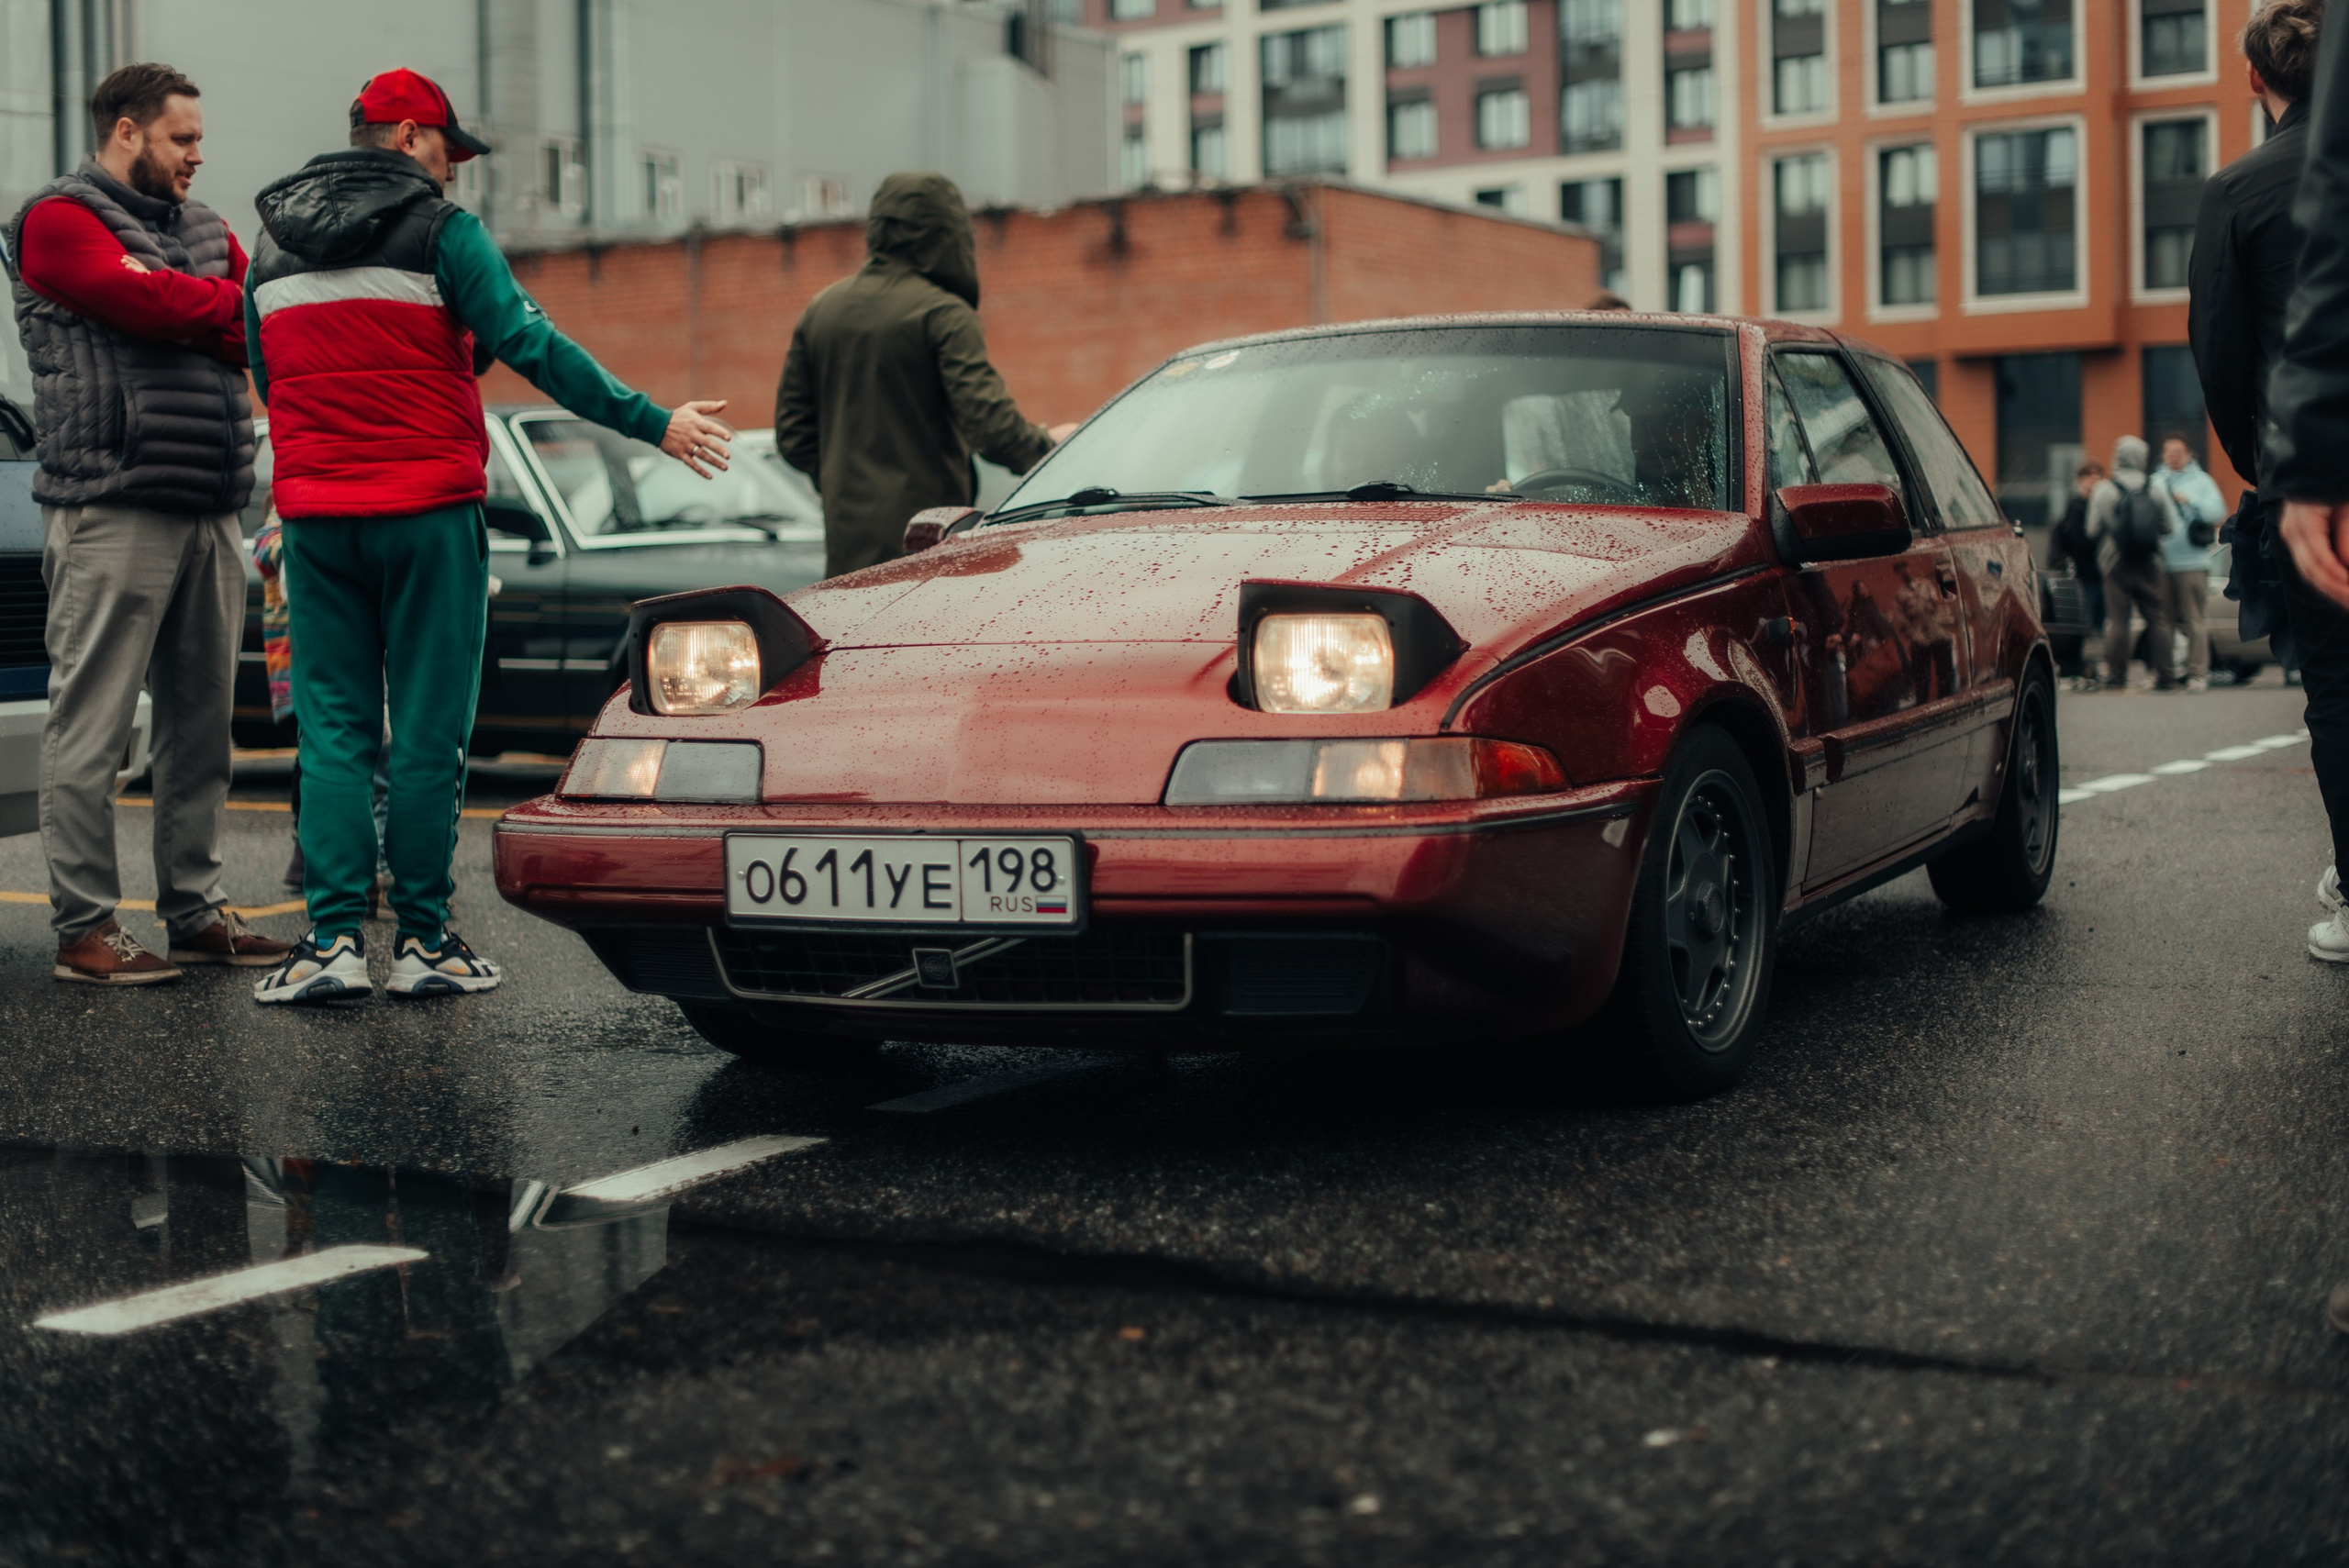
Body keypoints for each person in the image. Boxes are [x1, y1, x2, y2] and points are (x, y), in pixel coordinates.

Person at [242, 68, 734, 1005]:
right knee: (428, 733)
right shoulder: (443, 231)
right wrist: (653, 421)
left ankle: (331, 942)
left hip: (317, 520)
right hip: (428, 513)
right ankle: (423, 940)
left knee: (333, 731)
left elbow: (271, 379)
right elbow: (530, 343)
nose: (454, 170)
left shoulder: (270, 246)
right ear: (405, 135)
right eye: (447, 149)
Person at [4, 62, 293, 985]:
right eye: (182, 138)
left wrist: (190, 312)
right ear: (126, 131)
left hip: (211, 503)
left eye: (199, 138)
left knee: (203, 729)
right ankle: (85, 929)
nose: (198, 155)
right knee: (90, 725)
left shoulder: (206, 230)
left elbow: (258, 325)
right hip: (111, 501)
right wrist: (196, 311)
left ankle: (196, 912)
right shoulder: (56, 219)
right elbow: (145, 301)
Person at [775, 172, 1074, 579]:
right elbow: (992, 428)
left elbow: (793, 436)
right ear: (947, 233)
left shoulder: (822, 310)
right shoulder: (943, 313)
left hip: (848, 551)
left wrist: (847, 485)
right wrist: (1052, 448)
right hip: (928, 543)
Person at [2193, 0, 2325, 690]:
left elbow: (2219, 353)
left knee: (2334, 681)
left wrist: (2261, 462)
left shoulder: (2235, 191)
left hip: (2307, 468)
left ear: (2253, 76)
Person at [2085, 436, 2178, 691]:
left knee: (2118, 620)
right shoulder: (2155, 488)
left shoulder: (2105, 489)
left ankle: (2117, 676)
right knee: (2157, 618)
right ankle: (2166, 675)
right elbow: (2169, 527)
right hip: (2149, 561)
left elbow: (2092, 529)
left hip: (2114, 562)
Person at [2149, 434, 2229, 692]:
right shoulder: (2155, 481)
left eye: (2178, 453)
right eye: (2168, 453)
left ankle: (2197, 673)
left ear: (2188, 455)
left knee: (2195, 620)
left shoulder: (2202, 481)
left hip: (2193, 562)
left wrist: (2191, 500)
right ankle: (2164, 672)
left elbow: (2218, 512)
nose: (2172, 457)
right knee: (2163, 621)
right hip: (2163, 562)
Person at [2051, 461, 2107, 686]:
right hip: (2083, 575)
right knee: (2086, 624)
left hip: (2102, 574)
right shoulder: (2076, 507)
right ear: (2080, 481)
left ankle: (2094, 667)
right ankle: (2086, 667)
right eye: (2088, 477)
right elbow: (2074, 541)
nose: (2093, 482)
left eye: (2097, 477)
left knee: (2099, 624)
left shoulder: (2103, 505)